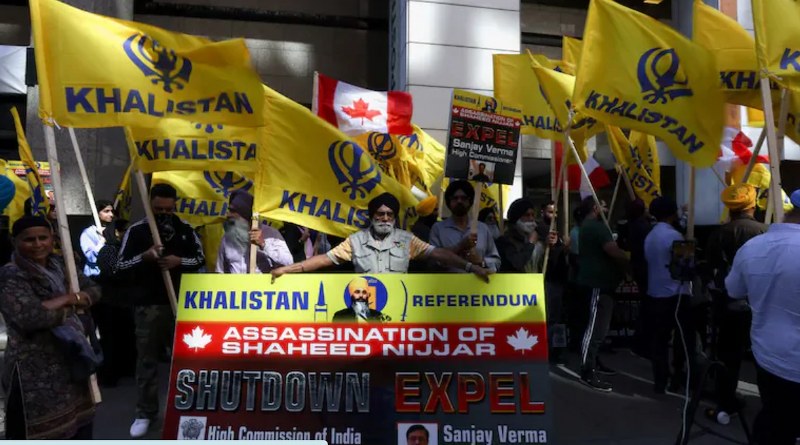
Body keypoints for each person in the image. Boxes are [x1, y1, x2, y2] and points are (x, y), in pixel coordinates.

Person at [0, 216, 102, 439]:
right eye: (29, 240)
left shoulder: (62, 265)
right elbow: (31, 317)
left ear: (52, 239)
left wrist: (65, 300)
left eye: (43, 238)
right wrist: (71, 301)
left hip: (72, 359)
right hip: (34, 368)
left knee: (79, 427)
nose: (38, 244)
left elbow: (94, 290)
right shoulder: (11, 274)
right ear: (15, 241)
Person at [117, 183, 205, 438]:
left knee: (188, 360)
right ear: (150, 205)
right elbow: (120, 265)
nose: (164, 213)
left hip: (183, 305)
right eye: (158, 209)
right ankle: (145, 412)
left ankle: (187, 409)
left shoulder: (185, 229)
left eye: (168, 209)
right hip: (149, 304)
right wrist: (143, 257)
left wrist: (180, 261)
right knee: (147, 360)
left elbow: (200, 259)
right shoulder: (137, 231)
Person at [271, 192, 491, 281]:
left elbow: (439, 254)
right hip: (366, 310)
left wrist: (471, 267)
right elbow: (323, 259)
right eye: (380, 214)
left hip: (400, 310)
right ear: (372, 216)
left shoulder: (407, 240)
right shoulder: (356, 241)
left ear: (394, 217)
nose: (385, 218)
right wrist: (287, 270)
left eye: (389, 214)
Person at [724, 190, 800, 445]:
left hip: (768, 357)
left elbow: (734, 290)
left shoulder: (752, 247)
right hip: (780, 359)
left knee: (774, 422)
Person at [705, 183, 767, 421]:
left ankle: (725, 402)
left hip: (728, 305)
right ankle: (769, 406)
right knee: (764, 360)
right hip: (760, 307)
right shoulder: (765, 233)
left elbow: (710, 269)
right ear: (753, 205)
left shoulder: (719, 234)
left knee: (728, 357)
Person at [643, 197, 695, 394]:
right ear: (672, 214)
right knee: (682, 340)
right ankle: (679, 377)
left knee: (659, 341)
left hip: (655, 293)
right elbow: (686, 267)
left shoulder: (650, 237)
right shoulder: (674, 236)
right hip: (676, 294)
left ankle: (660, 380)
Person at [575, 196, 628, 392]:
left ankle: (593, 363)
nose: (606, 209)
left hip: (599, 284)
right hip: (597, 285)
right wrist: (628, 258)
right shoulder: (597, 227)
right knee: (595, 330)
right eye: (603, 205)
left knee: (597, 329)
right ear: (595, 208)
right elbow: (612, 251)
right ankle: (587, 370)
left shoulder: (588, 227)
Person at [430, 181, 501, 273]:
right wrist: (459, 247)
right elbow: (433, 262)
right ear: (448, 202)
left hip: (478, 281)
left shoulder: (482, 228)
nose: (459, 201)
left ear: (470, 201)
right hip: (448, 282)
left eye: (464, 198)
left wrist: (482, 262)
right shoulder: (438, 229)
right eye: (455, 198)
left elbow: (496, 261)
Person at [216, 190, 292, 273]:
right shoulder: (227, 238)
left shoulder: (271, 234)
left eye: (233, 211)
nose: (228, 215)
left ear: (244, 214)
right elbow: (220, 271)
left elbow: (288, 263)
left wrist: (263, 244)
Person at [537, 200, 569, 362]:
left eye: (556, 212)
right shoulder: (541, 229)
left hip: (559, 278)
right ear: (543, 212)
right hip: (548, 278)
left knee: (558, 316)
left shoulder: (559, 228)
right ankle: (550, 350)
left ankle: (557, 349)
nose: (554, 215)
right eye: (550, 212)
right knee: (551, 317)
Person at [496, 198, 543, 273]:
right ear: (516, 219)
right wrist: (530, 244)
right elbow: (517, 263)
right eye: (527, 215)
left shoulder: (538, 240)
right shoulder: (504, 242)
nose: (531, 219)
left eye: (533, 215)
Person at [79, 199, 115, 278]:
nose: (111, 214)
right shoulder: (88, 232)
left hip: (111, 275)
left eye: (112, 211)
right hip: (95, 275)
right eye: (106, 211)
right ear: (97, 213)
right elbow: (91, 257)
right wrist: (101, 242)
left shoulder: (112, 230)